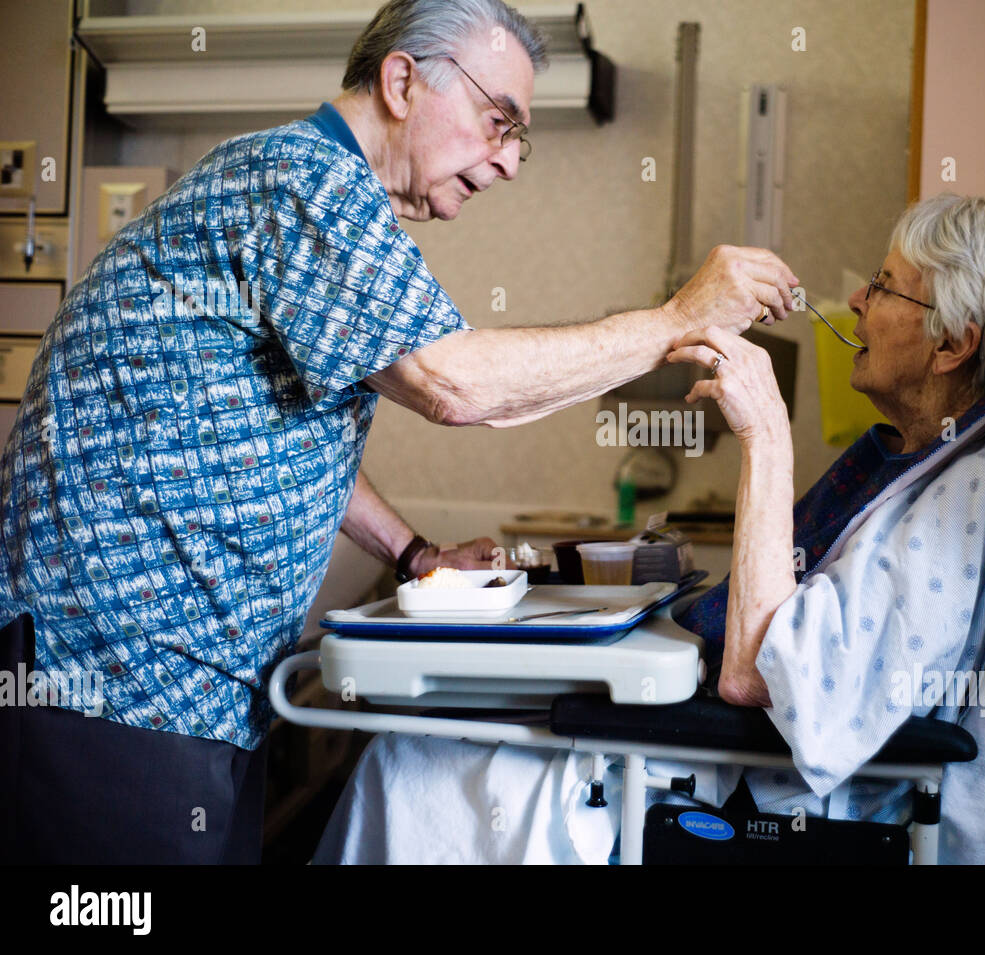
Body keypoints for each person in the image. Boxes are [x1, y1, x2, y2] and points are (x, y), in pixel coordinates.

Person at [0, 0, 798, 864]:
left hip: (183, 689)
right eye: (500, 123)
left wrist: (415, 554)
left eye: (518, 140)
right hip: (112, 676)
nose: (507, 163)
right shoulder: (300, 181)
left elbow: (290, 435)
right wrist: (676, 318)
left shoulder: (311, 194)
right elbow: (455, 385)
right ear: (402, 79)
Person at [311, 192, 985, 863]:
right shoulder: (914, 459)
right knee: (422, 737)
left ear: (952, 343)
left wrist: (767, 433)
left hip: (747, 796)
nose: (856, 302)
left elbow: (758, 678)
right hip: (695, 743)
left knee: (407, 763)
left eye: (884, 287)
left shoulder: (965, 494)